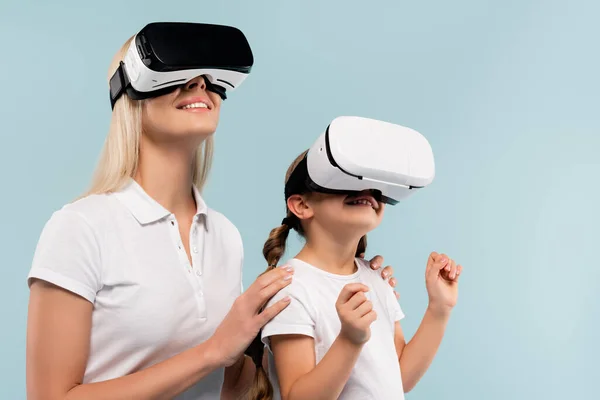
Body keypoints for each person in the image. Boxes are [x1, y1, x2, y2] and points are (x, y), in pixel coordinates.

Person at [25, 28, 400, 400]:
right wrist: (212, 352)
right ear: (131, 87)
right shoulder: (80, 228)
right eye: (178, 75)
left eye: (209, 79)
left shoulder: (223, 236)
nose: (200, 84)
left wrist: (334, 298)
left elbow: (235, 387)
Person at [249, 149, 463, 400]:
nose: (367, 188)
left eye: (375, 183)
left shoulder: (375, 279)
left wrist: (439, 309)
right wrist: (349, 340)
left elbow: (402, 376)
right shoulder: (290, 288)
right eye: (346, 177)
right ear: (302, 205)